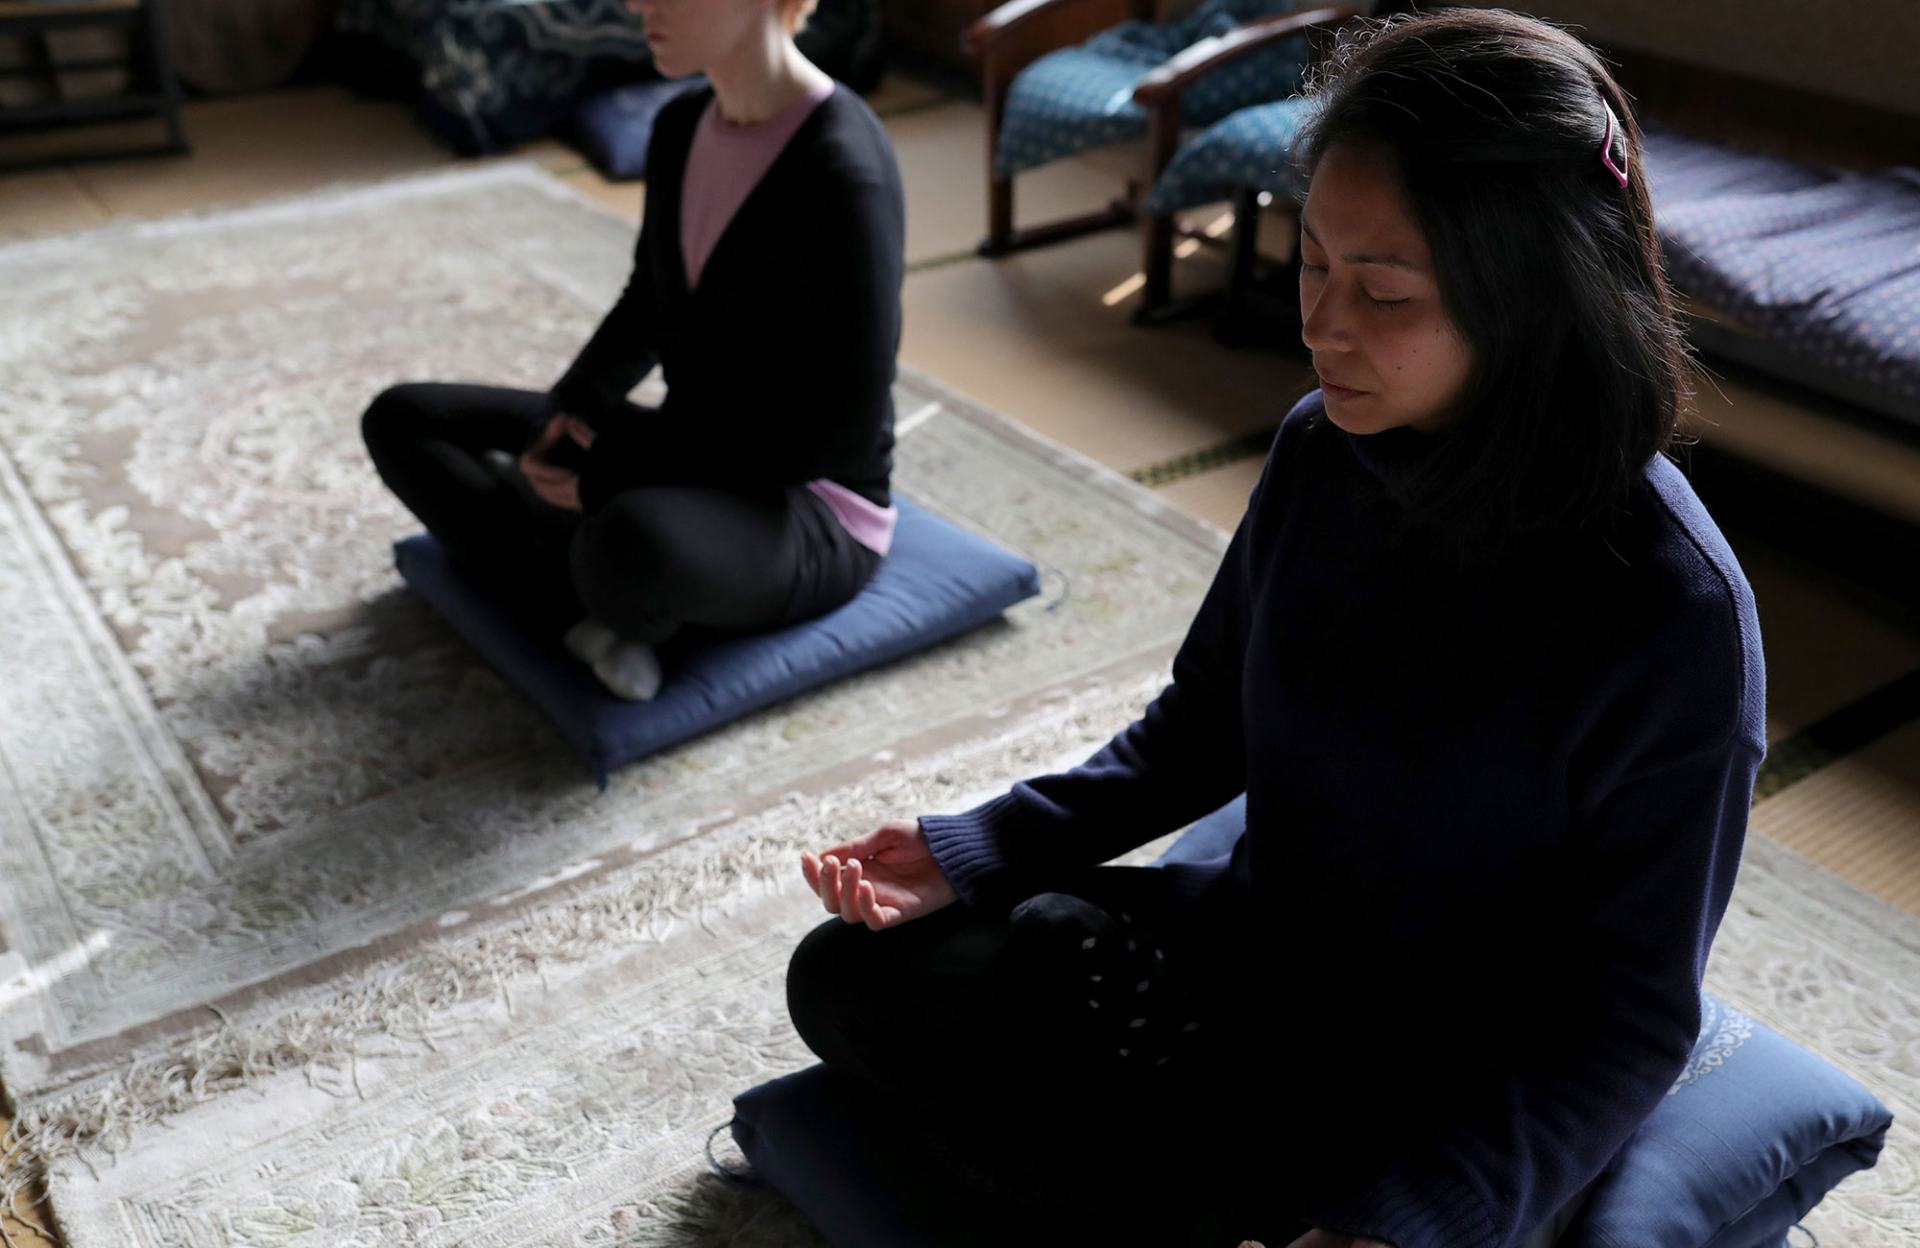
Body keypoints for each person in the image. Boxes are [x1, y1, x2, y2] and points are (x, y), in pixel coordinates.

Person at [786, 10, 1767, 1248]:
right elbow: (1197, 733)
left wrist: (1411, 1223)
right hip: (1255, 963)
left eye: (1384, 290)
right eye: (1312, 264)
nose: (1323, 325)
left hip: (1431, 1082)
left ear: (1532, 295)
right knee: (851, 976)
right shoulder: (1326, 449)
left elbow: (1626, 1022)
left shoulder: (1671, 617)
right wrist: (973, 848)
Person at [361, 0, 905, 700]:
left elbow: (834, 436)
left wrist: (612, 471)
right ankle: (582, 614)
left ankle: (581, 578)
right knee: (403, 419)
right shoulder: (681, 126)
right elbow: (650, 295)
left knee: (629, 544)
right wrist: (574, 407)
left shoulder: (840, 167)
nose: (637, 4)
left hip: (808, 503)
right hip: (689, 446)